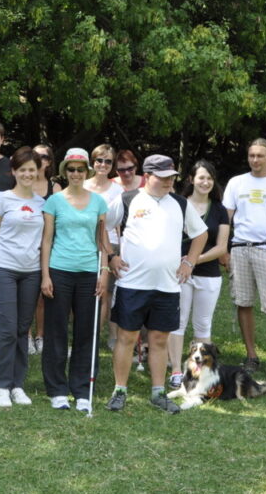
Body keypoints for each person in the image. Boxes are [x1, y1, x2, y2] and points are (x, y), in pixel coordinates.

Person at [108, 155, 208, 414]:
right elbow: (102, 224)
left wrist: (190, 263)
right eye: (163, 177)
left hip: (167, 286)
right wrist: (111, 256)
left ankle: (158, 392)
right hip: (132, 283)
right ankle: (120, 389)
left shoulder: (180, 203)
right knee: (126, 337)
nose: (168, 181)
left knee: (159, 339)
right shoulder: (128, 199)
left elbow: (201, 233)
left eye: (171, 177)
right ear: (147, 176)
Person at [40, 148, 110, 412]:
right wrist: (45, 275)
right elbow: (46, 240)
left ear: (87, 171)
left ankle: (81, 389)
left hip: (89, 273)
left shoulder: (98, 202)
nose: (76, 174)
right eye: (71, 169)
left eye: (81, 169)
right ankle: (57, 389)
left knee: (86, 332)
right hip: (59, 270)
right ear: (64, 172)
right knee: (56, 331)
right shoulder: (54, 201)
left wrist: (104, 273)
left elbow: (102, 241)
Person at [0, 147, 44, 407]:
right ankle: (0, 386)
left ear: (37, 172)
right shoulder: (3, 199)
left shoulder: (43, 204)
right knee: (5, 329)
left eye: (32, 169)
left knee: (21, 330)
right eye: (23, 169)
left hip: (31, 272)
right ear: (14, 171)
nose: (27, 174)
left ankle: (17, 384)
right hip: (2, 268)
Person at [222, 138, 266, 377]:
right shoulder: (236, 182)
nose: (255, 160)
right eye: (252, 155)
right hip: (240, 247)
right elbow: (227, 219)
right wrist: (224, 248)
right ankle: (251, 355)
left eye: (260, 156)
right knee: (243, 303)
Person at [165, 160, 231, 388]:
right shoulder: (177, 204)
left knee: (203, 325)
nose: (206, 182)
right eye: (201, 177)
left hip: (208, 274)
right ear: (191, 179)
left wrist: (194, 261)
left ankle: (199, 374)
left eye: (210, 178)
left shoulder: (220, 209)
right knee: (178, 321)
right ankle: (175, 370)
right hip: (178, 273)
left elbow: (222, 247)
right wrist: (184, 264)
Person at [84, 143, 124, 351]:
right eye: (99, 160)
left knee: (107, 292)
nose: (103, 164)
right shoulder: (83, 185)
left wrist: (116, 251)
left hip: (110, 244)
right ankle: (85, 334)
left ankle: (99, 336)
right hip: (85, 242)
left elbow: (117, 223)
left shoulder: (118, 190)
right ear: (93, 161)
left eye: (108, 161)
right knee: (88, 290)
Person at [27, 144, 62, 355]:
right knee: (27, 294)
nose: (39, 159)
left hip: (49, 246)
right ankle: (26, 336)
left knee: (42, 295)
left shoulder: (55, 188)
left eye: (44, 156)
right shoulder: (23, 183)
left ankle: (41, 336)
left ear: (49, 161)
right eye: (35, 155)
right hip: (26, 245)